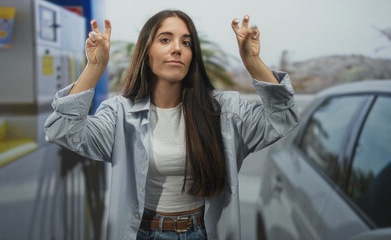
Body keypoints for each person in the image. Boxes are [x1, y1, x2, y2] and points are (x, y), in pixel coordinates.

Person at [44, 10, 300, 240]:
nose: (177, 48)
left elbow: (283, 116)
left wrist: (252, 62)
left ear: (193, 56)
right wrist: (95, 67)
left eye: (186, 42)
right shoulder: (120, 114)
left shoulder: (225, 111)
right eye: (165, 39)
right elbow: (63, 130)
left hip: (203, 233)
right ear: (147, 51)